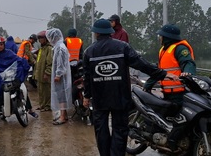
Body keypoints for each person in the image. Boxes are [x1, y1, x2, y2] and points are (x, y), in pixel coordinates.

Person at [83, 19, 177, 156]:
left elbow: (87, 78)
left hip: (99, 98)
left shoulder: (89, 52)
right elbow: (141, 64)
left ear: (96, 33)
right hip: (120, 96)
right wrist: (162, 74)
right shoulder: (123, 47)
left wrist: (86, 96)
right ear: (110, 32)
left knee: (101, 129)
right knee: (120, 129)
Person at [0, 36, 38, 123]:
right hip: (0, 79)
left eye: (1, 44)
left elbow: (18, 59)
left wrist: (24, 62)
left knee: (22, 90)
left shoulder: (9, 53)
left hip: (11, 77)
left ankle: (30, 110)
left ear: (4, 45)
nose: (0, 46)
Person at [143, 24, 196, 105]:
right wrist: (149, 84)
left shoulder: (180, 48)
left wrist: (187, 72)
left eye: (161, 36)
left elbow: (188, 62)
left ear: (167, 37)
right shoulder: (163, 50)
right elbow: (160, 71)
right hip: (167, 92)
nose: (159, 38)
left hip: (180, 93)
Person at [46, 28, 73, 125]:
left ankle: (62, 117)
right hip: (61, 76)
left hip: (61, 77)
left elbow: (60, 64)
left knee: (62, 96)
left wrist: (58, 75)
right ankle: (64, 115)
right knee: (61, 95)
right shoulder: (59, 46)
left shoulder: (60, 48)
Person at [34, 30, 53, 112]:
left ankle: (47, 106)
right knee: (41, 91)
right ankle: (42, 105)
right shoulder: (41, 49)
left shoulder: (49, 49)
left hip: (45, 74)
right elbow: (38, 61)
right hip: (39, 74)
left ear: (46, 39)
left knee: (47, 91)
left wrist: (47, 73)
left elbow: (50, 62)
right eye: (39, 38)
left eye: (41, 38)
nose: (39, 40)